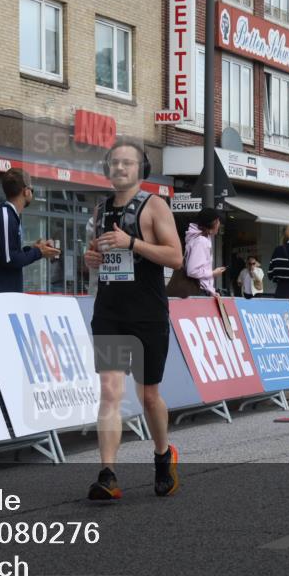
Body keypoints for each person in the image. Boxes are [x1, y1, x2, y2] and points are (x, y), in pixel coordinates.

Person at [83, 138, 183, 500]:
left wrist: (133, 244)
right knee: (110, 392)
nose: (120, 168)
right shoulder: (100, 210)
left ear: (141, 170)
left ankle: (162, 455)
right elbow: (97, 253)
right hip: (109, 312)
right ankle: (108, 474)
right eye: (114, 162)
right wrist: (91, 258)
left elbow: (175, 257)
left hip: (147, 314)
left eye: (128, 163)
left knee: (149, 395)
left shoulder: (155, 207)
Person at [0, 168, 59, 293]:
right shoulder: (5, 216)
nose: (32, 192)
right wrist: (38, 252)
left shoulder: (8, 216)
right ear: (26, 191)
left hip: (3, 296)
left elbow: (9, 254)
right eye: (32, 189)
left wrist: (34, 249)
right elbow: (10, 259)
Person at [183, 207, 227, 296]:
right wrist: (213, 273)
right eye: (218, 221)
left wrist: (211, 291)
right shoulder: (201, 241)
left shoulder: (198, 238)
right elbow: (192, 271)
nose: (219, 224)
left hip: (199, 290)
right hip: (198, 291)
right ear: (213, 223)